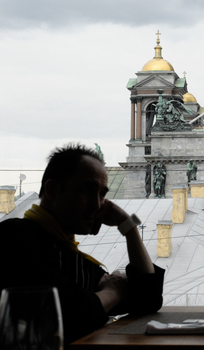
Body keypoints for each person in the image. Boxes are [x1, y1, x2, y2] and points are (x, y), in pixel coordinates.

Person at [0, 144, 164, 343]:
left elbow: (148, 298)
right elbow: (66, 316)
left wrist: (128, 227)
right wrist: (113, 293)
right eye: (87, 191)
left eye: (102, 194)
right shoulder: (15, 238)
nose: (97, 204)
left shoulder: (69, 253)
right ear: (52, 190)